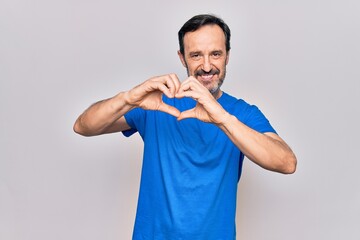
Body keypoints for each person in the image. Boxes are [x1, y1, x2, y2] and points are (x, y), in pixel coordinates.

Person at [74, 14, 297, 240]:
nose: (207, 66)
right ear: (182, 58)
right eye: (196, 55)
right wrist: (128, 98)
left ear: (227, 56)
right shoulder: (157, 103)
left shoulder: (241, 113)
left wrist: (222, 118)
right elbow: (84, 126)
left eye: (216, 54)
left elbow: (286, 162)